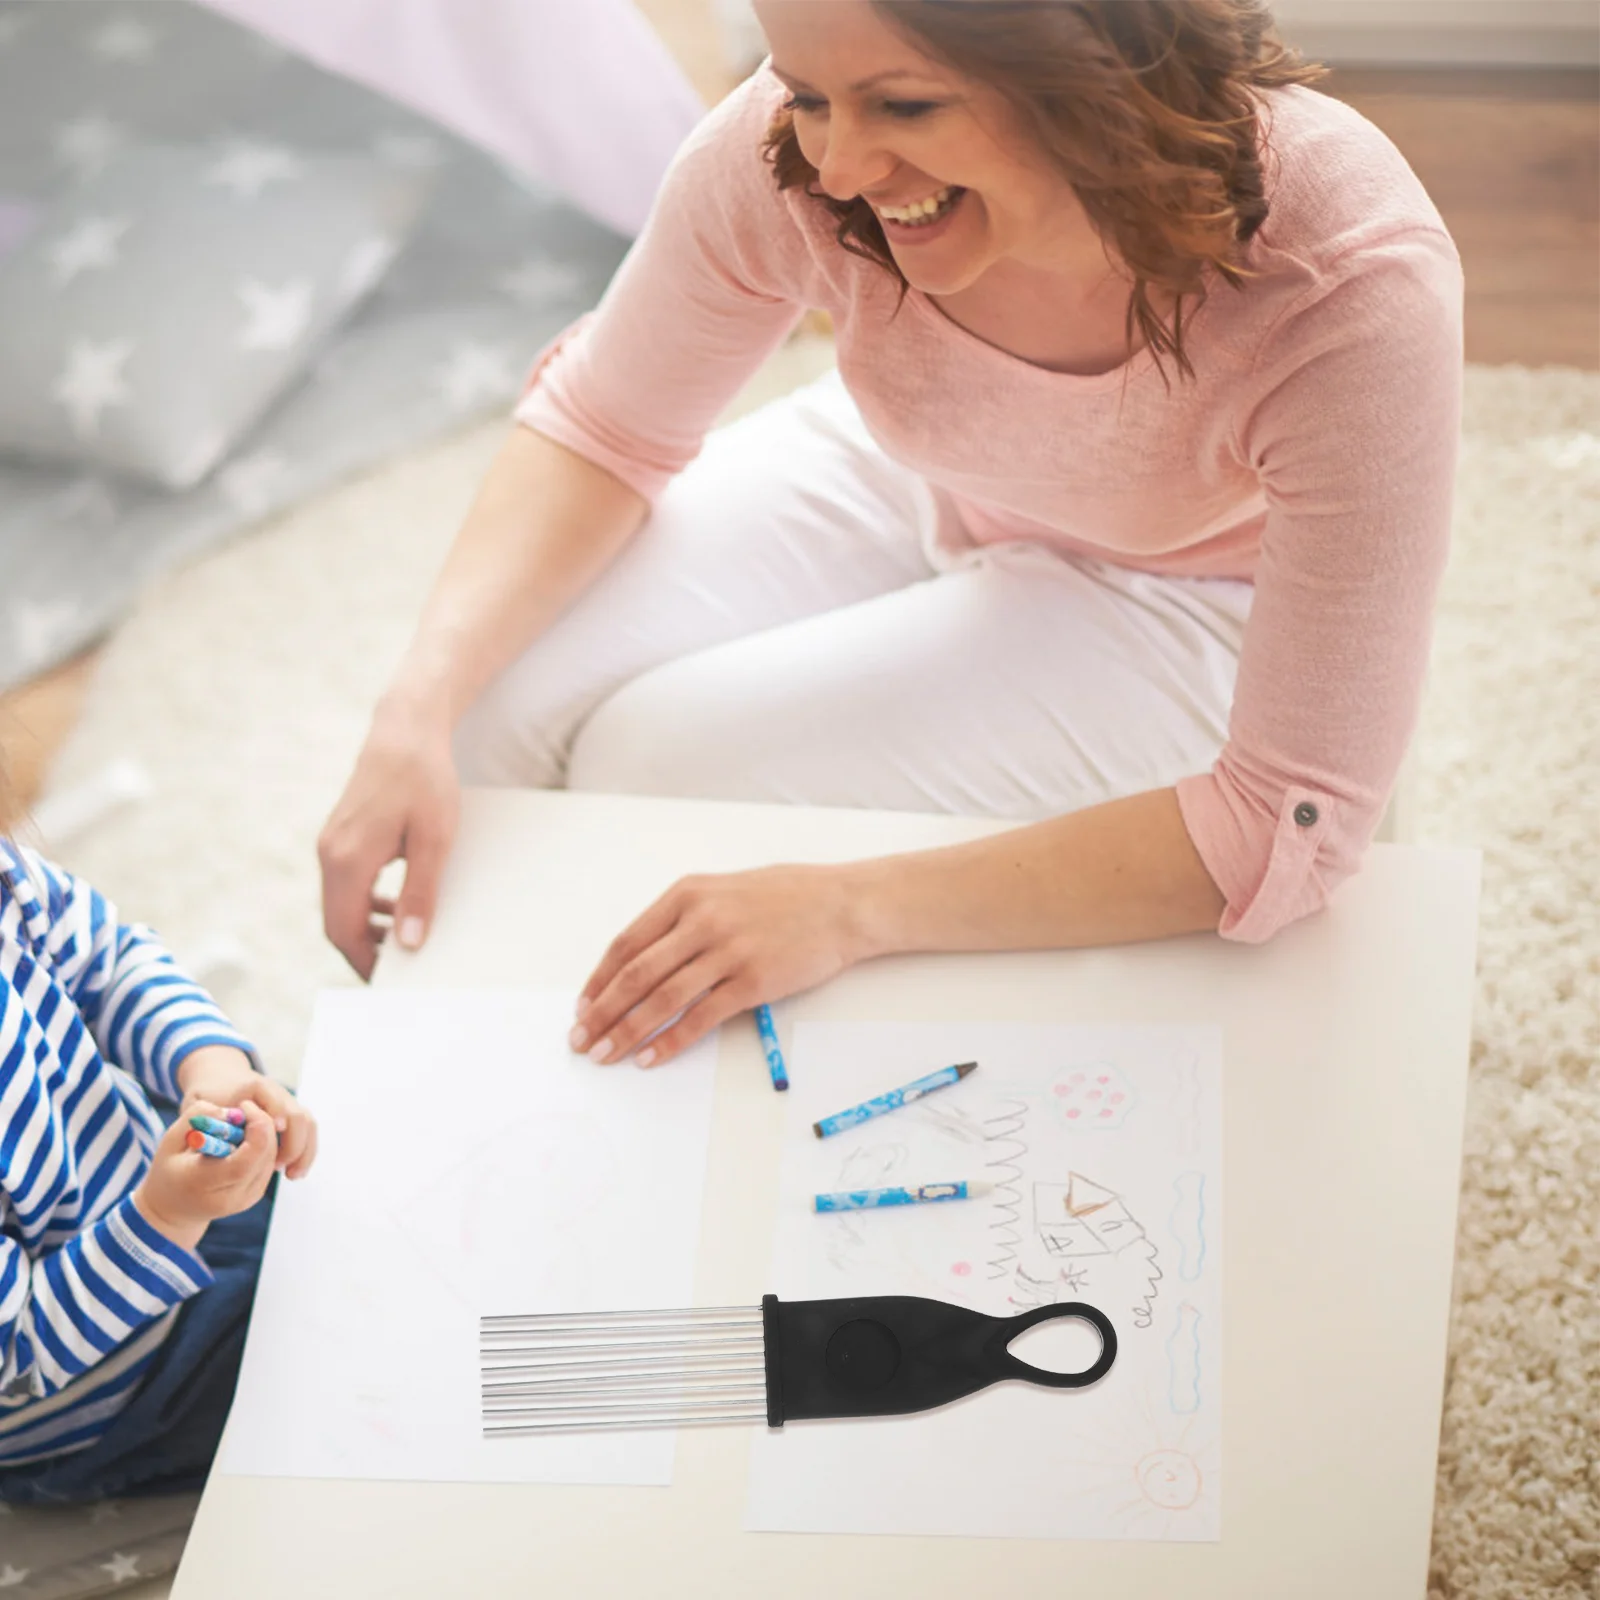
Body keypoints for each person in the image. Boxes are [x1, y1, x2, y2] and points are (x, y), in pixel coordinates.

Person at [318, 0, 1462, 1069]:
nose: (838, 167)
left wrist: (853, 905)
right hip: (925, 463)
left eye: (903, 106)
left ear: (1097, 70)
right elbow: (605, 419)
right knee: (490, 711)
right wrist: (413, 703)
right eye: (808, 94)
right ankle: (454, 1078)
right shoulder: (793, 152)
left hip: (1196, 592)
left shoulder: (1344, 279)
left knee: (656, 767)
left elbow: (1291, 819)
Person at [0, 774, 317, 1502]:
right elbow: (20, 1355)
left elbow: (110, 962)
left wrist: (211, 1070)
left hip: (145, 1171)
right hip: (114, 1388)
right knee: (332, 1370)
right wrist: (167, 1218)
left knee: (334, 1161)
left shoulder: (6, 885)